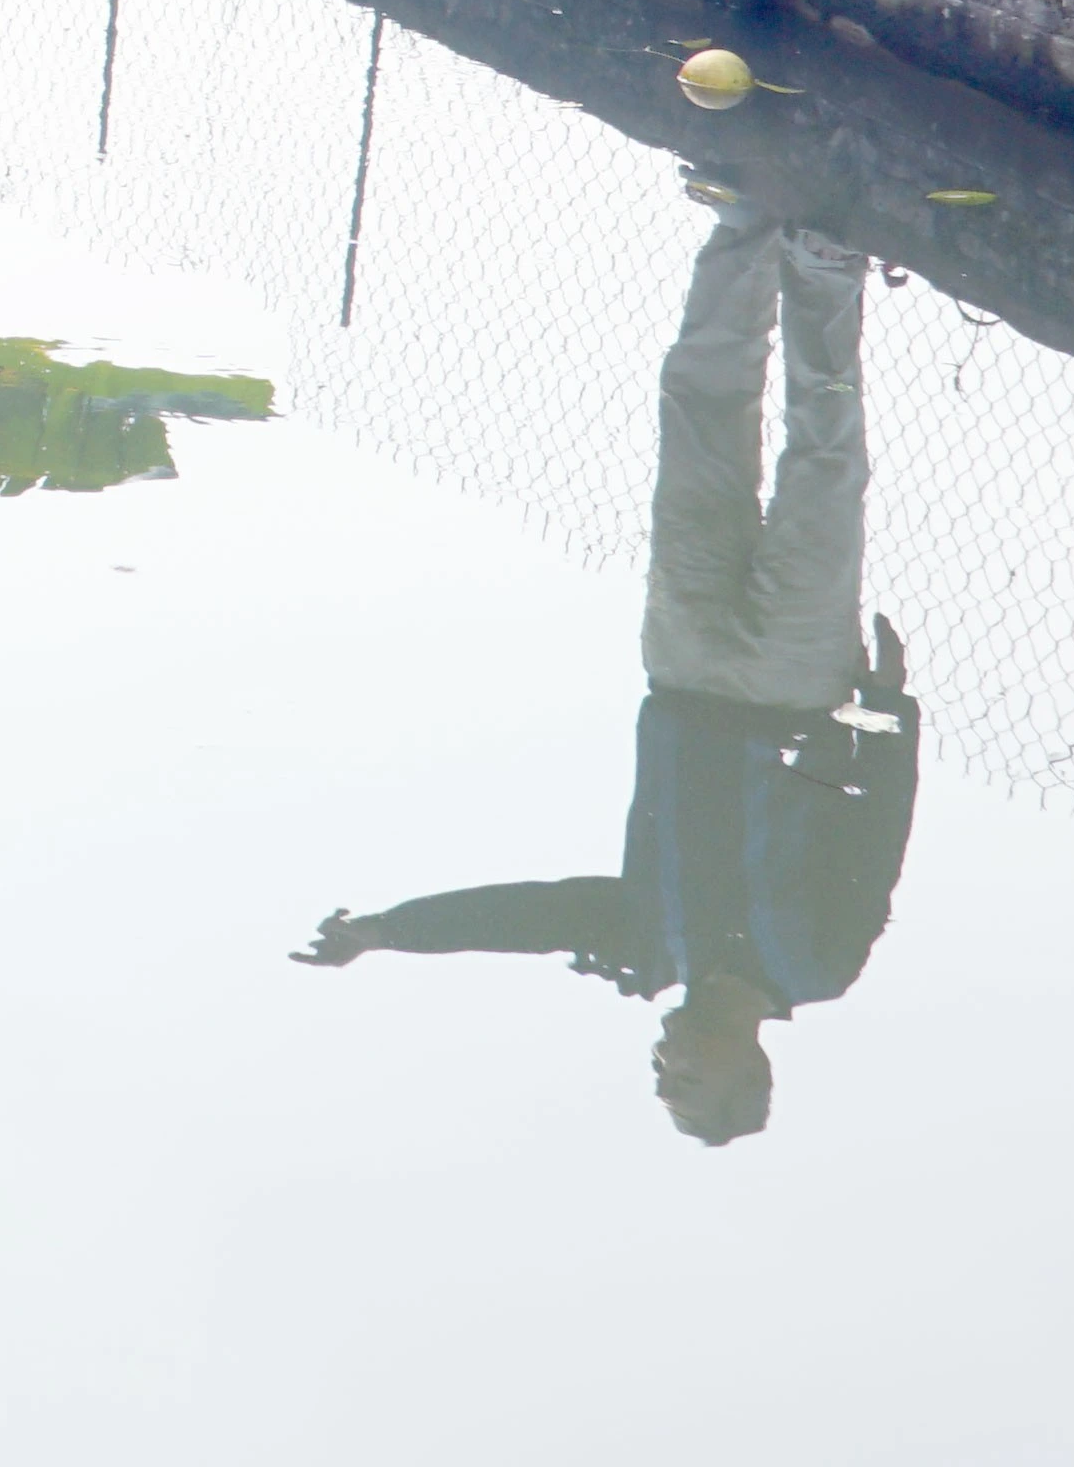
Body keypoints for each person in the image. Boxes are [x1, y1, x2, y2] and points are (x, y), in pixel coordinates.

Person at [295, 189, 918, 1144]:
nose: (664, 1067)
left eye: (662, 1082)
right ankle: (826, 266)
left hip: (682, 666)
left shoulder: (646, 944)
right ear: (746, 1074)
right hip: (799, 686)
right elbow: (877, 826)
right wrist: (886, 706)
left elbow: (526, 918)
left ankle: (745, 230)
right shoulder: (819, 964)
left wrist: (388, 930)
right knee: (825, 469)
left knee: (697, 427)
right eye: (684, 1085)